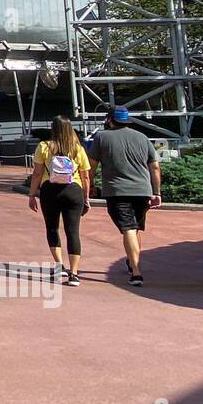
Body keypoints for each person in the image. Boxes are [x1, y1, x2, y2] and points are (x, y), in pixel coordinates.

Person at [86, 106, 162, 287]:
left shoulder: (102, 137)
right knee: (134, 228)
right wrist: (157, 192)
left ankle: (136, 273)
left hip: (117, 191)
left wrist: (90, 186)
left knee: (128, 228)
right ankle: (132, 261)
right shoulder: (142, 138)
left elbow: (91, 165)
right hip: (143, 191)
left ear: (110, 120)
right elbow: (155, 167)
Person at [26, 116, 92, 286]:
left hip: (50, 190)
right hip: (73, 190)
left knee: (52, 228)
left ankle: (59, 265)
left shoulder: (44, 146)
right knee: (73, 231)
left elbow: (37, 173)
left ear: (52, 129)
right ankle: (75, 273)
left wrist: (32, 194)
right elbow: (85, 175)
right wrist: (86, 197)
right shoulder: (78, 149)